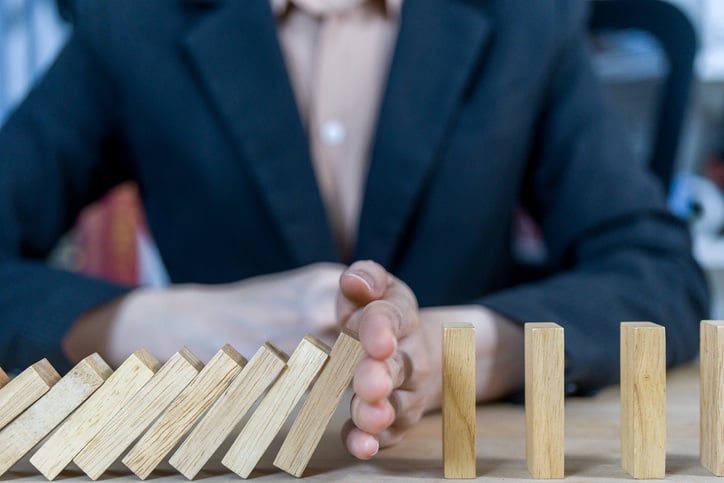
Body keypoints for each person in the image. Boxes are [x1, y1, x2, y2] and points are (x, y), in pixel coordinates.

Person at [0, 0, 709, 460]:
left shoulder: (529, 18)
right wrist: (176, 322)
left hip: (458, 456)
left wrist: (450, 351)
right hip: (220, 454)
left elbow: (658, 268)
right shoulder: (131, 20)